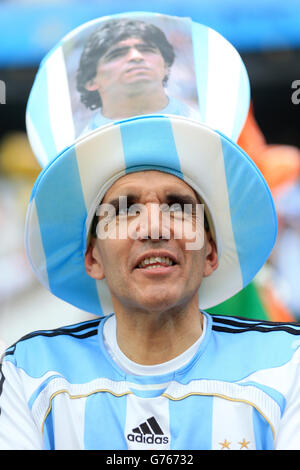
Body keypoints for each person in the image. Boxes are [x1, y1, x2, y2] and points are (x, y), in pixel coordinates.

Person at [1, 113, 300, 451]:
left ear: (211, 254)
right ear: (92, 257)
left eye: (178, 207)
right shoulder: (31, 372)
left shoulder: (289, 364)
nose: (154, 227)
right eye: (125, 210)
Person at [76, 18, 200, 132]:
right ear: (91, 81)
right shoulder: (77, 148)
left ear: (166, 67)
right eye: (117, 54)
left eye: (147, 50)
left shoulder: (205, 123)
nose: (136, 57)